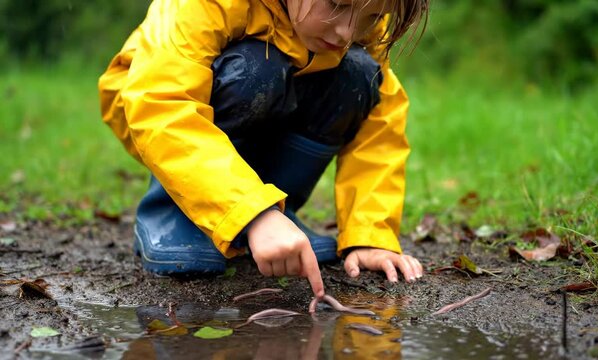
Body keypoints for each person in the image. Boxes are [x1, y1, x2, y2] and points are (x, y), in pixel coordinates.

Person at [98, 0, 429, 299]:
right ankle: (175, 213)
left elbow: (379, 126)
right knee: (256, 70)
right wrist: (251, 212)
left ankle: (275, 214)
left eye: (372, 18)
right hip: (152, 108)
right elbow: (164, 106)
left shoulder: (362, 9)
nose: (346, 31)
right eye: (336, 5)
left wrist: (369, 235)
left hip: (275, 99)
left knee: (360, 77)